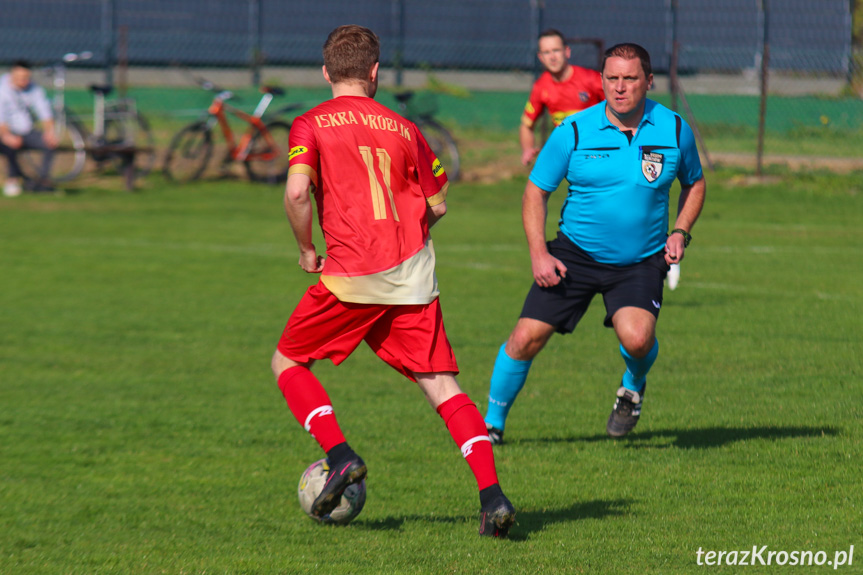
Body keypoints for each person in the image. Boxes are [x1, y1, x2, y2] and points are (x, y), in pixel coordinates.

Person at [271, 25, 515, 537]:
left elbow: (296, 195)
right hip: (412, 276)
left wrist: (307, 250)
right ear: (375, 72)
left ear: (326, 72)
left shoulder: (310, 123)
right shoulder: (407, 128)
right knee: (442, 386)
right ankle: (492, 497)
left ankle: (339, 454)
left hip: (352, 274)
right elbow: (439, 203)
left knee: (288, 360)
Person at [485, 43, 706, 444]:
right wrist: (540, 253)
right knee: (524, 339)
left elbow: (695, 182)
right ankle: (491, 427)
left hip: (640, 260)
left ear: (649, 81)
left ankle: (632, 388)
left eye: (630, 78)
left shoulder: (673, 129)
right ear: (601, 81)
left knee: (637, 339)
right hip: (575, 254)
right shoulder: (572, 130)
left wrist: (680, 231)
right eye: (612, 79)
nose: (620, 88)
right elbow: (535, 191)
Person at [520, 29, 605, 166]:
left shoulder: (591, 79)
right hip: (570, 157)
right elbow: (526, 125)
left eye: (556, 50)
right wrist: (527, 149)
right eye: (546, 52)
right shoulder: (541, 87)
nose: (552, 57)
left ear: (567, 52)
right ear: (540, 57)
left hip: (599, 152)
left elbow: (620, 108)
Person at [0, 60, 57, 196]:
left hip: (26, 131)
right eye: (19, 78)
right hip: (4, 132)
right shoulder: (2, 90)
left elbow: (45, 112)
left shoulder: (34, 89)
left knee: (49, 143)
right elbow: (1, 118)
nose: (23, 81)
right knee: (10, 145)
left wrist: (50, 132)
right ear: (12, 75)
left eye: (26, 78)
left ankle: (42, 182)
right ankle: (12, 180)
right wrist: (7, 135)